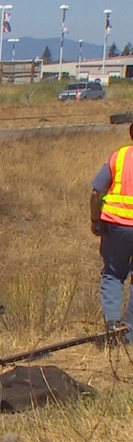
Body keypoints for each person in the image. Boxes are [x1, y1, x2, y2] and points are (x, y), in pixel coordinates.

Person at [90, 123, 133, 344]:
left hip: (116, 226)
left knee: (114, 274)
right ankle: (131, 335)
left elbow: (96, 192)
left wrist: (95, 220)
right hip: (118, 224)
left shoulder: (119, 157)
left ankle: (113, 326)